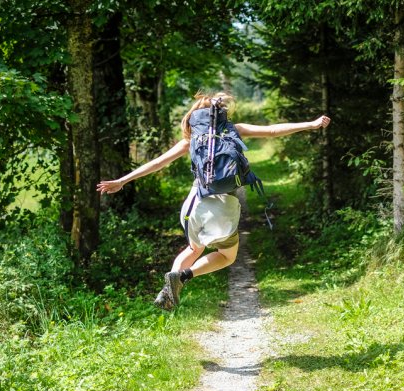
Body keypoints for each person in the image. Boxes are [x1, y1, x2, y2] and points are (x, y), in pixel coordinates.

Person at [97, 92, 330, 310]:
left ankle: (170, 286)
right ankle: (184, 277)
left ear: (194, 118)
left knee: (193, 248)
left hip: (193, 207)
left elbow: (157, 163)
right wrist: (311, 124)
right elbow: (272, 131)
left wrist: (122, 180)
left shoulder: (190, 142)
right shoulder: (234, 131)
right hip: (221, 208)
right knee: (227, 256)